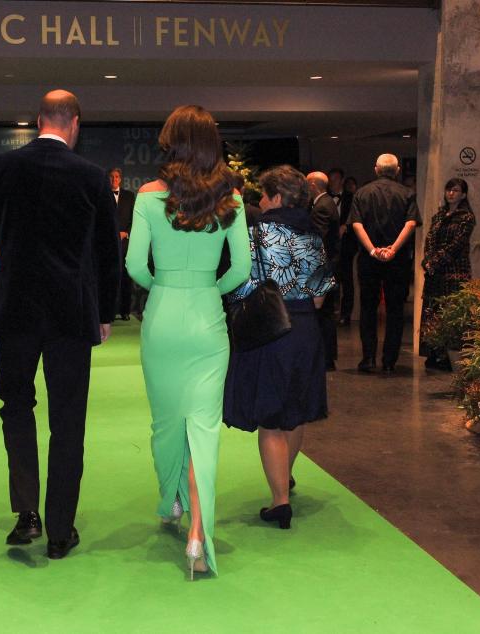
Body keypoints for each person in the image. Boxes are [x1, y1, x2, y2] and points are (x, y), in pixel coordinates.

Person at [0, 90, 120, 560]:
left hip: (14, 311)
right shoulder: (91, 177)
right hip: (71, 312)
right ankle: (60, 529)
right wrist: (105, 312)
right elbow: (108, 253)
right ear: (74, 124)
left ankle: (27, 512)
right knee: (68, 418)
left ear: (38, 121)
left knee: (15, 406)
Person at [125, 105, 250, 579]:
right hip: (206, 320)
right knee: (204, 428)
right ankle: (198, 535)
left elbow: (135, 265)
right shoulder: (231, 198)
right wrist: (207, 290)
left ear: (171, 141)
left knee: (165, 424)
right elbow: (240, 270)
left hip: (162, 318)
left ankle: (170, 502)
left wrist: (165, 284)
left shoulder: (148, 196)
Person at [224, 165, 334, 531]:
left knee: (270, 420)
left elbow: (242, 287)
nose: (260, 201)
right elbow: (321, 297)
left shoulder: (255, 235)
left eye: (263, 195)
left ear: (275, 197)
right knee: (296, 411)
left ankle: (279, 502)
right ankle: (284, 477)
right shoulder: (313, 236)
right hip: (305, 329)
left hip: (271, 332)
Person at [349, 154, 420, 374]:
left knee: (368, 308)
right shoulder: (407, 193)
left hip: (369, 260)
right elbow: (410, 224)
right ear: (397, 170)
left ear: (376, 169)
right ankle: (389, 360)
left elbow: (357, 225)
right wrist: (393, 249)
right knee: (395, 309)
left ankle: (368, 358)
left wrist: (372, 250)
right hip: (396, 260)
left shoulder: (362, 193)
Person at [421, 178, 476, 370]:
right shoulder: (439, 216)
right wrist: (427, 260)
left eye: (455, 190)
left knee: (449, 314)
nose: (451, 193)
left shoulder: (466, 217)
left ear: (463, 194)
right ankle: (433, 352)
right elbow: (429, 240)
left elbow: (456, 246)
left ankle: (448, 355)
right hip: (435, 274)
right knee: (432, 312)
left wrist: (434, 262)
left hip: (454, 273)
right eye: (448, 190)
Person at [306, 171, 340, 371]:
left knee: (324, 315)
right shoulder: (327, 203)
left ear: (312, 185)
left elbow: (318, 239)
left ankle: (326, 357)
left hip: (323, 267)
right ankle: (327, 356)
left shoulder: (322, 207)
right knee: (326, 314)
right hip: (328, 264)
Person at [109, 167, 137, 320]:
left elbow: (134, 218)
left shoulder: (129, 196)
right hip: (108, 244)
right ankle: (109, 312)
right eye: (112, 177)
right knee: (110, 278)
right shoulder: (103, 195)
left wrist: (126, 232)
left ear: (121, 179)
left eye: (117, 177)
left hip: (125, 243)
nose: (114, 180)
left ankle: (125, 311)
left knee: (126, 277)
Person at [336, 176, 359, 325]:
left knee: (347, 280)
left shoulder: (351, 198)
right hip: (331, 247)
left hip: (347, 246)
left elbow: (355, 219)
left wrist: (346, 226)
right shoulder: (325, 199)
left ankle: (346, 313)